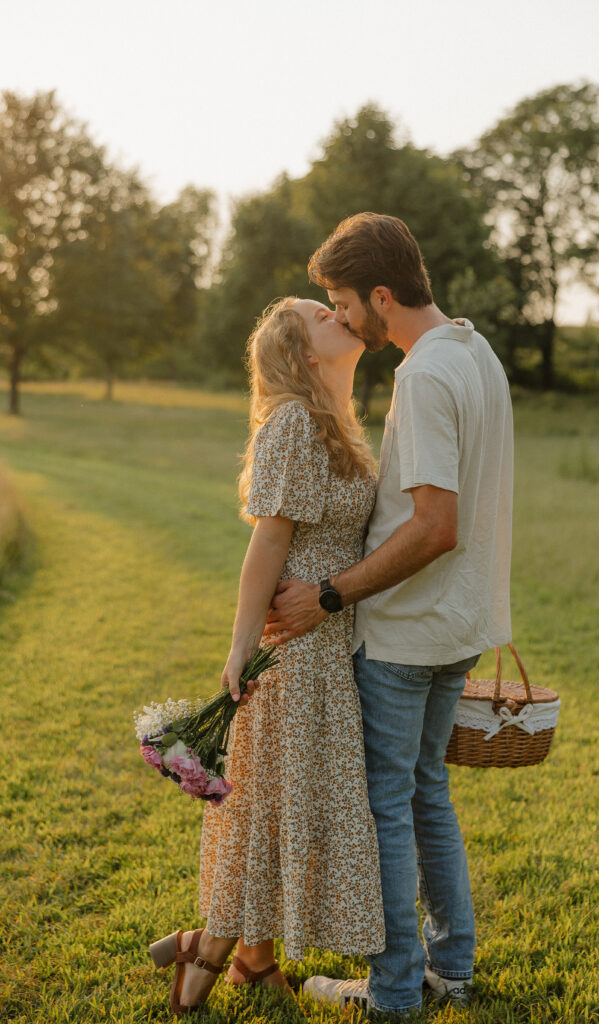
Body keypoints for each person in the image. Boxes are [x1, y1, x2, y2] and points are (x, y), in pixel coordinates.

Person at [265, 213, 514, 1015]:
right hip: (460, 625)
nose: (338, 317)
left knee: (387, 811)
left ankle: (396, 989)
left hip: (408, 634)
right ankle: (453, 968)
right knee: (424, 793)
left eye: (342, 301)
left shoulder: (426, 375)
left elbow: (435, 526)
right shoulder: (476, 352)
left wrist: (330, 593)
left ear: (380, 294)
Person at [148, 296, 385, 1016]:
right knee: (271, 807)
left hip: (325, 645)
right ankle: (217, 952)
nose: (337, 312)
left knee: (282, 803)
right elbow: (269, 544)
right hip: (295, 654)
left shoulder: (333, 424)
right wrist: (239, 648)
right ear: (304, 353)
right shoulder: (292, 423)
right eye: (321, 313)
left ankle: (242, 957)